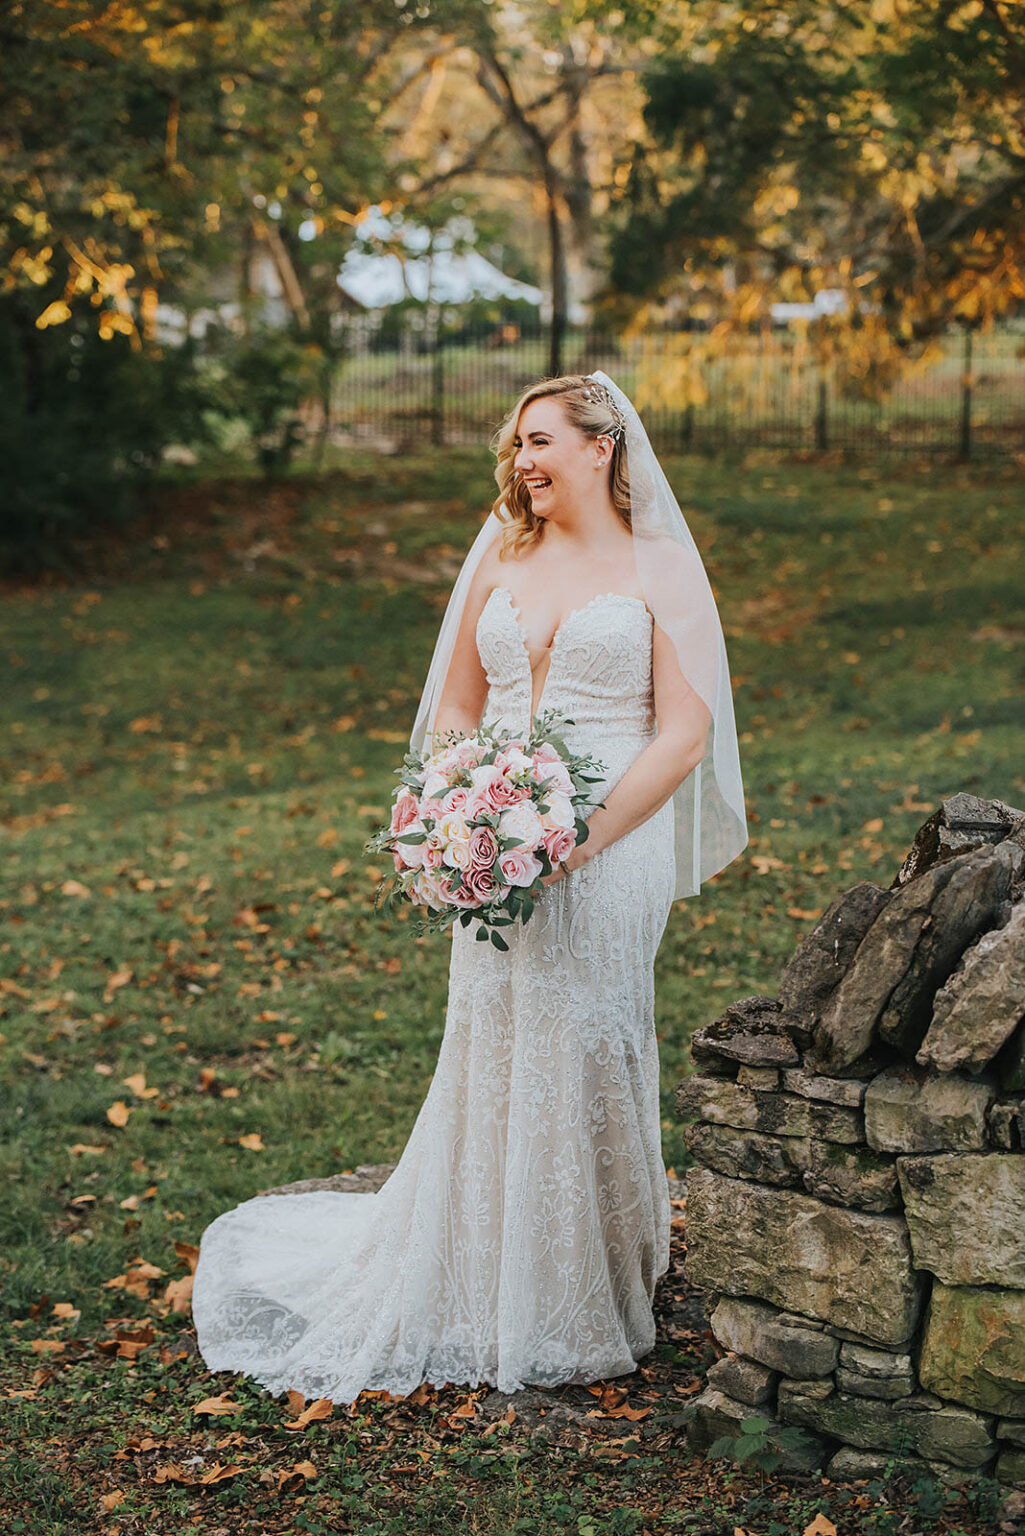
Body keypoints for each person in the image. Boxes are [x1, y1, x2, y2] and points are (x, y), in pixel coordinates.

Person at [191, 371, 748, 1404]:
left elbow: (682, 732)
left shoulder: (659, 566)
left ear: (600, 447)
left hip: (607, 842)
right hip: (496, 843)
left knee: (582, 1039)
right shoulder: (502, 551)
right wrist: (456, 812)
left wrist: (581, 834)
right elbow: (455, 703)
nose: (523, 461)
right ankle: (478, 1273)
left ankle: (582, 1286)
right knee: (491, 1037)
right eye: (516, 444)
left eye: (541, 441)